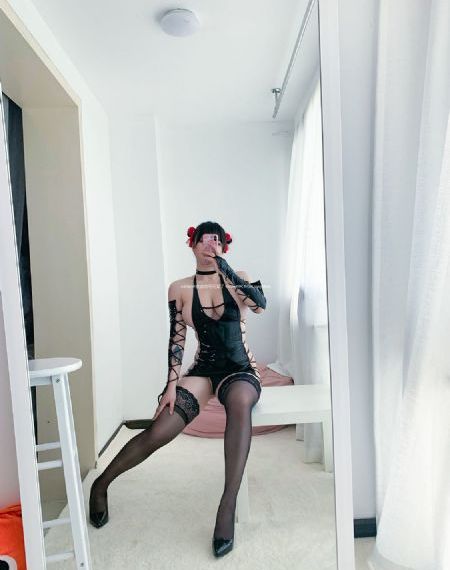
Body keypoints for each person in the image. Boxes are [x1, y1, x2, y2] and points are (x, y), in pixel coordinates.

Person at [89, 220, 266, 558]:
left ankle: (227, 505)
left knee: (241, 402)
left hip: (240, 369)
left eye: (217, 241)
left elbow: (260, 304)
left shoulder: (239, 275)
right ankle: (101, 484)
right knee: (161, 429)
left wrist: (225, 268)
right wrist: (171, 385)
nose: (210, 246)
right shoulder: (179, 288)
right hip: (203, 370)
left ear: (225, 247)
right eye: (204, 240)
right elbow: (177, 340)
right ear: (192, 245)